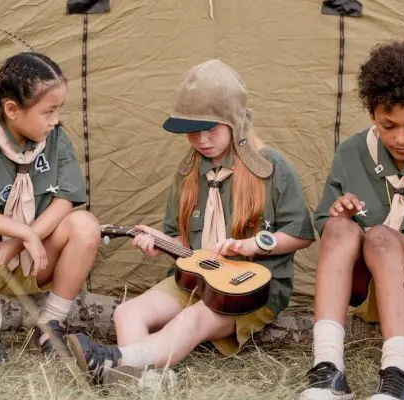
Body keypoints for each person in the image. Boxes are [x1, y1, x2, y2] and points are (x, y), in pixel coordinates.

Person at [69, 59, 316, 386]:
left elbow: (301, 234)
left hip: (249, 290)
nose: (202, 140)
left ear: (234, 122)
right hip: (198, 280)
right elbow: (186, 246)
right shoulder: (187, 175)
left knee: (191, 320)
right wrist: (160, 243)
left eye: (211, 129)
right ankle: (147, 383)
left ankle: (114, 360)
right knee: (127, 312)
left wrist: (253, 245)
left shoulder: (271, 167)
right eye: (192, 131)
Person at [300, 38, 404, 400]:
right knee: (340, 228)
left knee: (380, 236)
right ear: (371, 114)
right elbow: (327, 225)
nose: (401, 138)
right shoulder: (351, 151)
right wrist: (343, 213)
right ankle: (327, 368)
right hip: (366, 289)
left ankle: (398, 372)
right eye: (388, 125)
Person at [0, 52, 101, 365]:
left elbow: (65, 200)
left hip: (32, 262)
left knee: (85, 224)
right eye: (48, 111)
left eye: (58, 109)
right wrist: (23, 234)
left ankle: (50, 325)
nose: (55, 120)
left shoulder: (55, 138)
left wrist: (19, 244)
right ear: (12, 109)